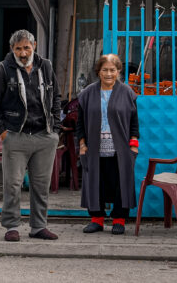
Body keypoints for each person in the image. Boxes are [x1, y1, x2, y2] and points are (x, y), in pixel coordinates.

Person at [0, 29, 62, 242]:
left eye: (26, 47)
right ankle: (11, 226)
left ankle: (39, 226)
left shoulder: (45, 66)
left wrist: (55, 128)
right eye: (18, 48)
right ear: (12, 49)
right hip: (16, 136)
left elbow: (56, 96)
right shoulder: (4, 69)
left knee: (41, 185)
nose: (23, 53)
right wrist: (3, 131)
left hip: (44, 136)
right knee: (12, 184)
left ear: (34, 46)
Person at [75, 53, 140, 235]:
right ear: (98, 72)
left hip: (121, 148)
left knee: (121, 183)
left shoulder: (127, 93)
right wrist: (82, 144)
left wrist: (134, 145)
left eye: (112, 70)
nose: (109, 74)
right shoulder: (87, 93)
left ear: (118, 71)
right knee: (96, 182)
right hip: (94, 147)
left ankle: (119, 220)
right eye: (105, 70)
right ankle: (97, 220)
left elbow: (134, 122)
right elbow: (80, 123)